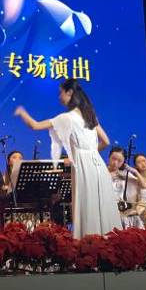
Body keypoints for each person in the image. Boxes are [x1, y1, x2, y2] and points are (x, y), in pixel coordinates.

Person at [14, 79, 122, 238]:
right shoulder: (90, 115)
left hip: (84, 167)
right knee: (101, 208)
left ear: (70, 92)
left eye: (61, 92)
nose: (59, 96)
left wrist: (22, 113)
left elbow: (35, 126)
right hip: (98, 165)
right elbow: (106, 141)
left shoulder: (66, 118)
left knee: (86, 208)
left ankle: (89, 245)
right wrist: (90, 151)